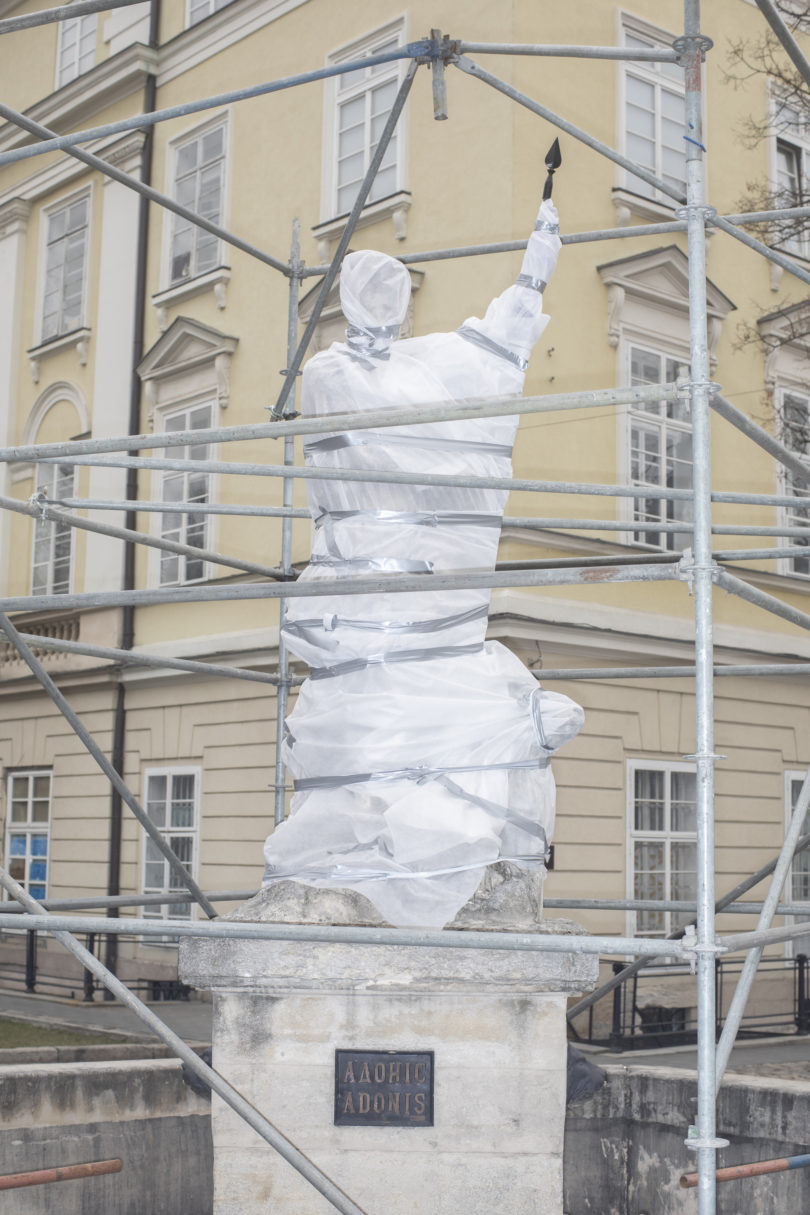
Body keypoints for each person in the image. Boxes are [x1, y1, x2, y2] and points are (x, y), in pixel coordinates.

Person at [263, 196, 583, 928]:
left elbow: (484, 357)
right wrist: (447, 471)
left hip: (431, 587)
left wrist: (531, 282)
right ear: (349, 304)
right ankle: (370, 842)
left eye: (397, 298)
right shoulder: (329, 373)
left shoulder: (414, 367)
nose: (390, 311)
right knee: (369, 715)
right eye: (376, 296)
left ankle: (434, 829)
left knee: (440, 697)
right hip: (370, 578)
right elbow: (379, 448)